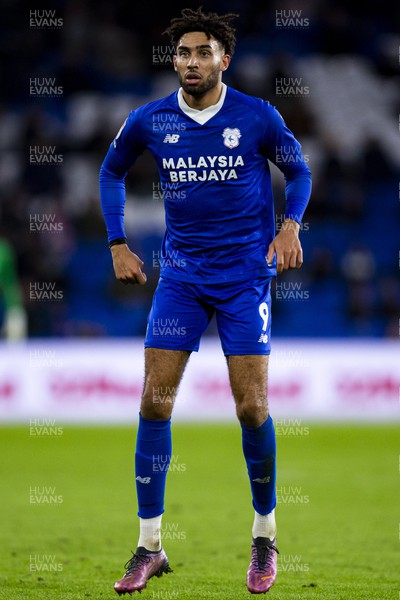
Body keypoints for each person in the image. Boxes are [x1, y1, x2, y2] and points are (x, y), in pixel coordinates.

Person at [99, 7, 311, 595]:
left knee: (251, 408)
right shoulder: (151, 119)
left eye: (202, 52)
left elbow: (300, 172)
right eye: (182, 53)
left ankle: (265, 536)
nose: (191, 62)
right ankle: (148, 548)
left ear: (224, 58)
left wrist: (291, 223)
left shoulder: (257, 116)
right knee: (155, 403)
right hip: (181, 279)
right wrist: (117, 242)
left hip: (246, 277)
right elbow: (110, 171)